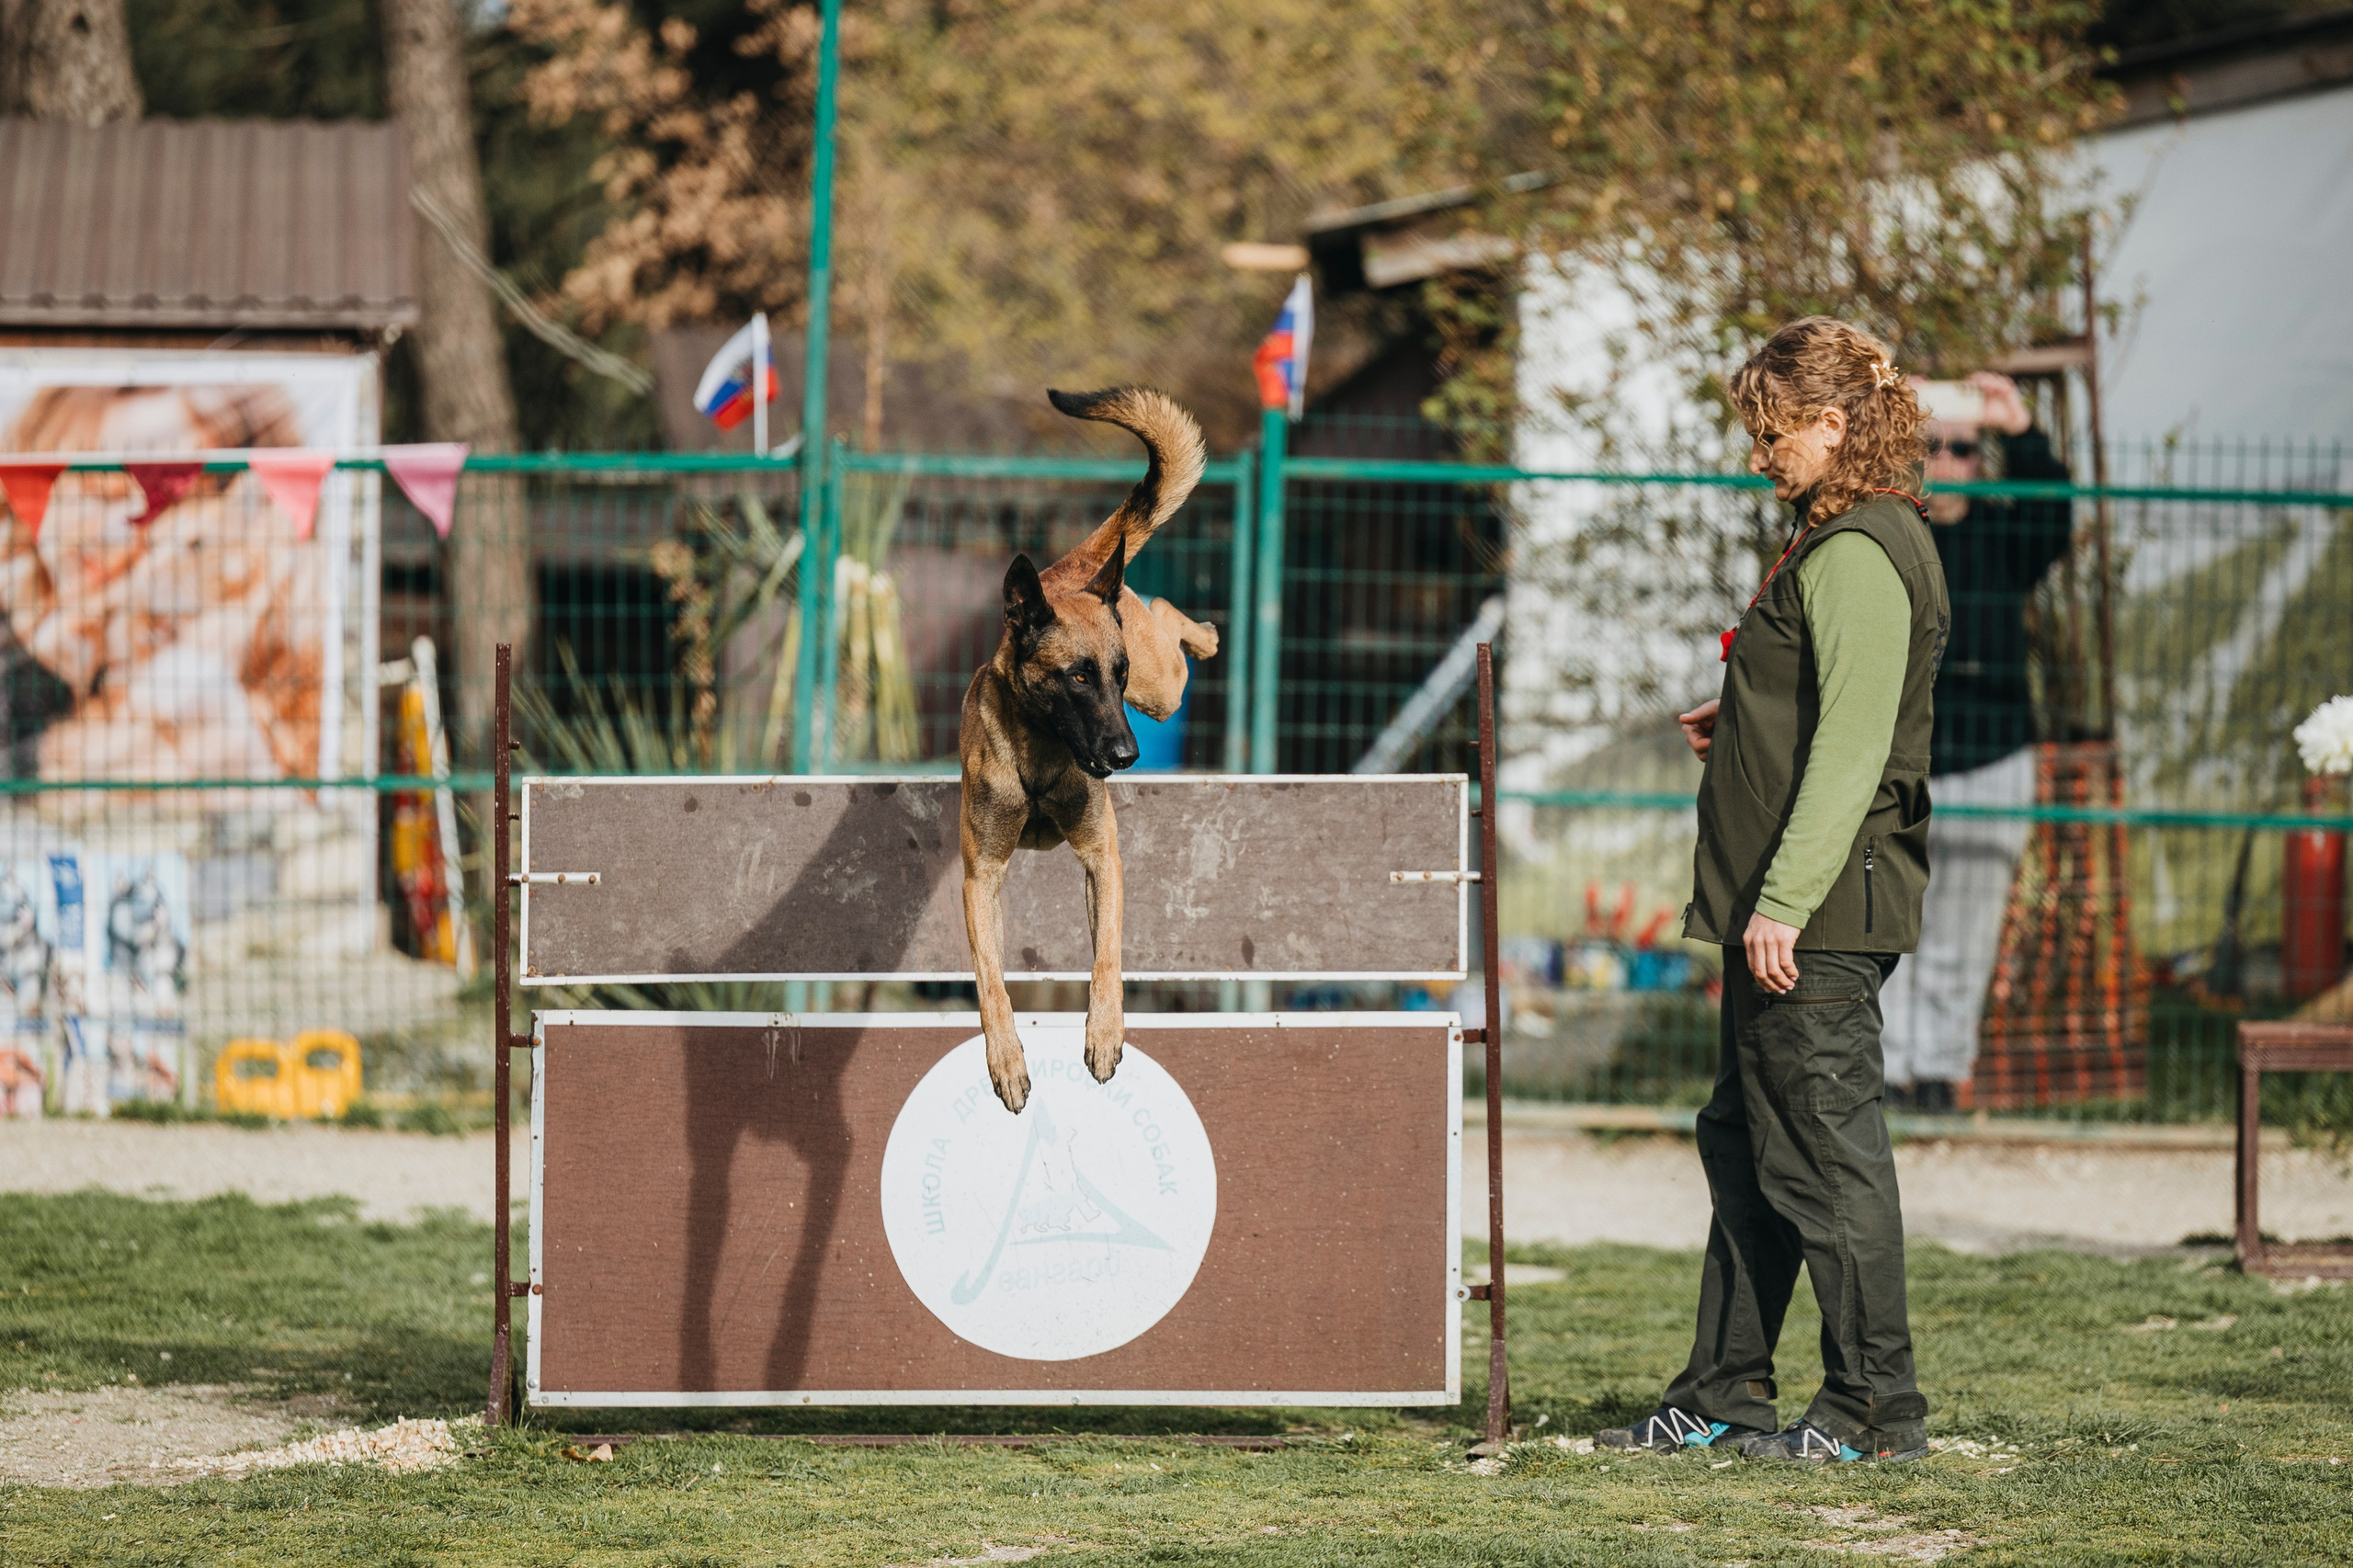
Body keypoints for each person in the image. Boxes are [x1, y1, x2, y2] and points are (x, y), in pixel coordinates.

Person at [1597, 316, 1948, 1464]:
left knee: (1822, 1151)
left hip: (1819, 911)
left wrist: (1785, 901)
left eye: (1776, 429)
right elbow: (1816, 701)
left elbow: (1853, 745)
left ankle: (1873, 1409)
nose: (1761, 451)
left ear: (1836, 423)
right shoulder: (1839, 535)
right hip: (1793, 900)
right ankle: (1722, 1390)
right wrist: (1738, 718)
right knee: (1749, 1142)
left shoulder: (1856, 552)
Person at [1878, 372, 2075, 1112]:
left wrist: (2020, 428)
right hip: (1904, 758)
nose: (1950, 460)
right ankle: (1889, 1074)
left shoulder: (2002, 533)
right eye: (1933, 446)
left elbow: (2055, 518)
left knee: (1966, 930)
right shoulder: (1886, 533)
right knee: (1892, 926)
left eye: (1965, 448)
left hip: (1994, 755)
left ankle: (1939, 1075)